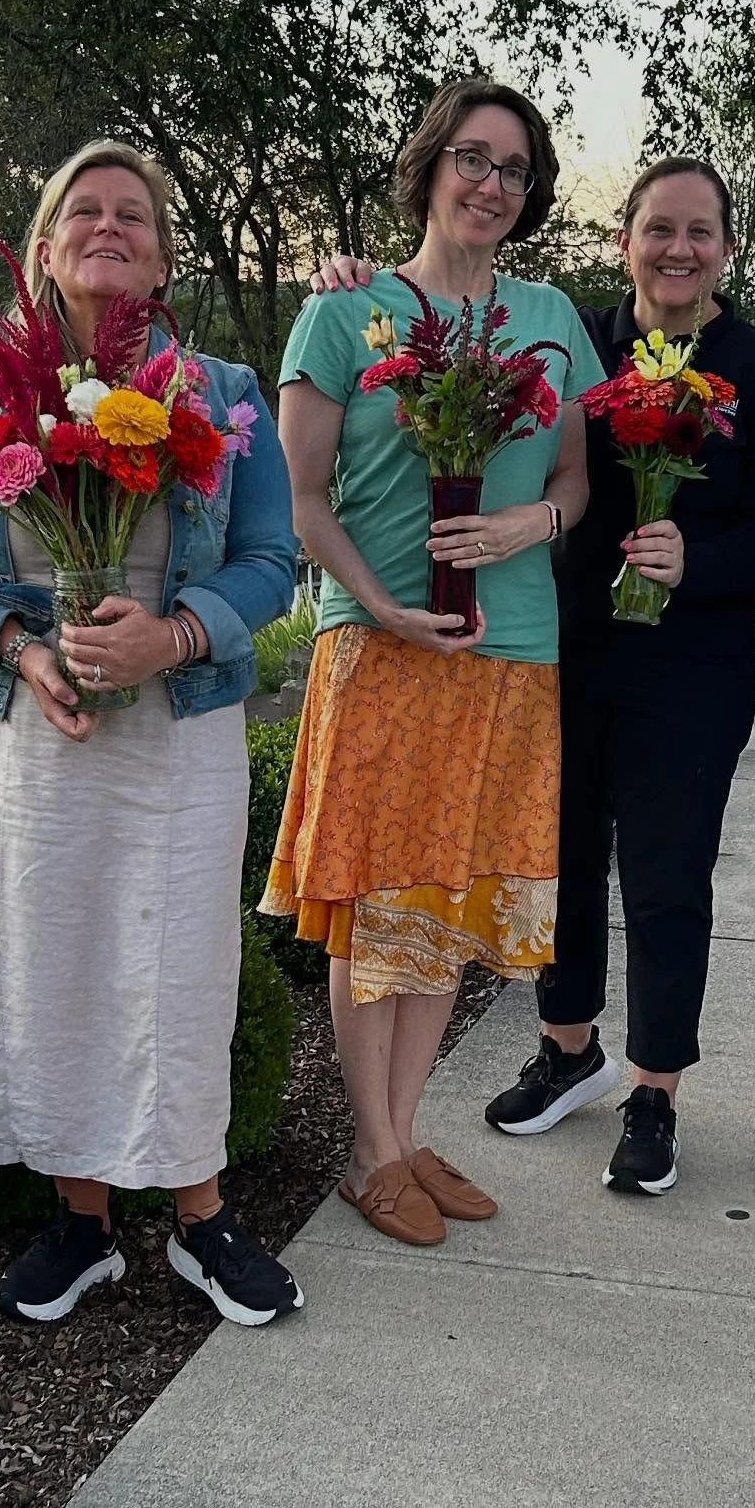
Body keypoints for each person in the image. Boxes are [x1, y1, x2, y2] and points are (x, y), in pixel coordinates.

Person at [308, 156, 755, 1195]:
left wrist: (698, 560)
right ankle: (567, 1047)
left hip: (690, 664)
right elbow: (462, 364)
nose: (677, 249)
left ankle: (655, 1089)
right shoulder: (578, 335)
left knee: (666, 879)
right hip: (562, 645)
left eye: (700, 232)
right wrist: (349, 277)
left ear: (726, 248)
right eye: (658, 228)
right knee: (560, 861)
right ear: (625, 240)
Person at [0, 139, 305, 1325]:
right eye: (85, 210)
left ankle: (203, 1221)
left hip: (174, 732)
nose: (109, 226)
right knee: (49, 961)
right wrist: (22, 650)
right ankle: (83, 1226)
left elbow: (271, 559)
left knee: (173, 970)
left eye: (133, 214)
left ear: (162, 258)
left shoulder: (222, 393)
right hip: (23, 735)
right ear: (47, 246)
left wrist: (172, 636)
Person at [259, 78, 603, 1246]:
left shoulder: (550, 316)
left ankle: (402, 1136)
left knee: (446, 905)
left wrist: (528, 526)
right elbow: (302, 499)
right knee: (381, 905)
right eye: (474, 157)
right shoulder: (344, 314)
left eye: (515, 169)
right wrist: (380, 607)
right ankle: (371, 1152)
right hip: (383, 651)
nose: (492, 184)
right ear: (430, 165)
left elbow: (576, 481)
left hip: (513, 650)